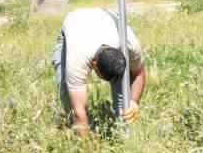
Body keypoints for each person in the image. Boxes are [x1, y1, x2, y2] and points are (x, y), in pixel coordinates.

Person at [53, 7, 146, 138]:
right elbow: (79, 111)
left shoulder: (129, 46)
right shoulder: (77, 59)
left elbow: (139, 74)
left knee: (126, 95)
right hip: (75, 21)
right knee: (67, 94)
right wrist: (89, 150)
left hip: (104, 17)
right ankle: (81, 134)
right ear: (94, 64)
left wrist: (134, 102)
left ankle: (124, 131)